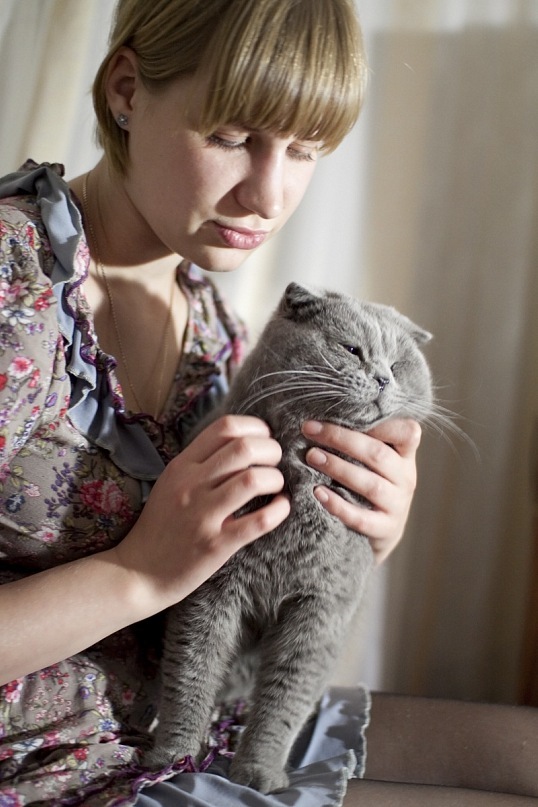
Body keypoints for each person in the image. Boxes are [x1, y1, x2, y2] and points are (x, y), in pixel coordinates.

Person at [0, 0, 536, 805]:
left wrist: (358, 535)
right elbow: (158, 575)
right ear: (126, 90)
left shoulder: (214, 330)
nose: (269, 194)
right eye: (231, 137)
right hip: (48, 765)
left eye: (305, 149)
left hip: (189, 722)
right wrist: (136, 574)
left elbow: (238, 585)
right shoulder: (14, 286)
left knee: (522, 758)